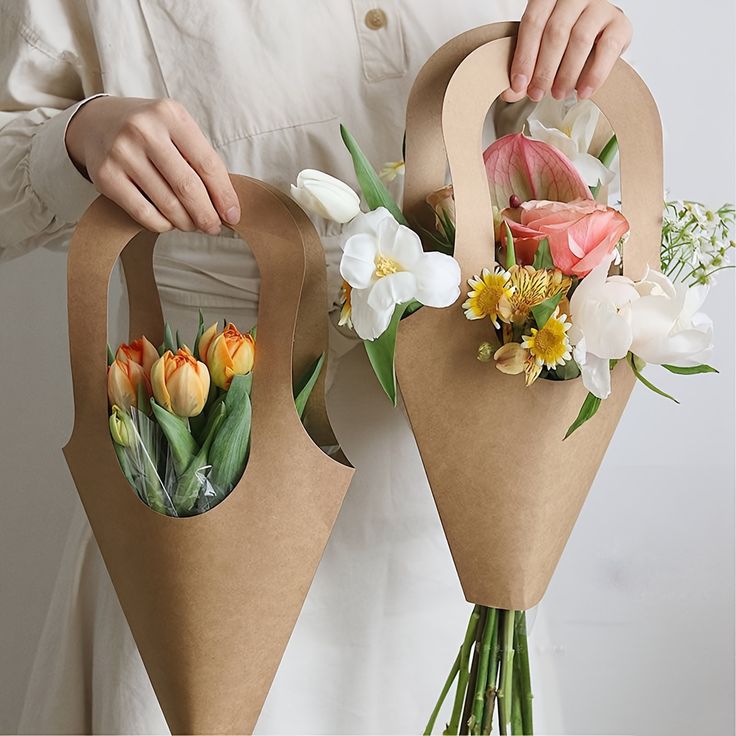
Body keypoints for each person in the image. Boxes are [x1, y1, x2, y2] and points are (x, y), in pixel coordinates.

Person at [0, 1, 632, 733]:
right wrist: (79, 135)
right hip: (208, 459)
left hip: (461, 471)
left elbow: (561, 142)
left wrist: (583, 46)